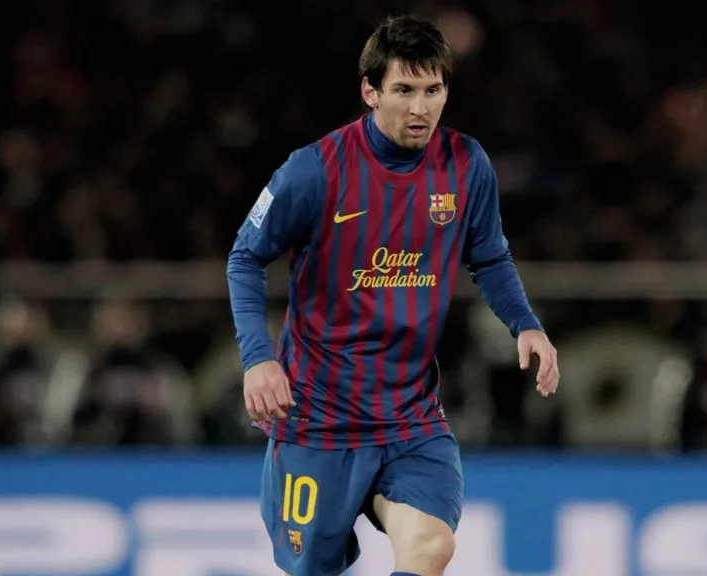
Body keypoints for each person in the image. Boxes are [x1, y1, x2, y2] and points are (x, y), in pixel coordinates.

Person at [226, 15, 559, 576]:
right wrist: (258, 360)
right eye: (404, 91)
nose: (420, 108)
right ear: (370, 91)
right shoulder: (315, 171)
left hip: (410, 418)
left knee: (430, 547)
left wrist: (525, 323)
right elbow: (244, 257)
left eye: (434, 91)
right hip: (318, 419)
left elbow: (491, 256)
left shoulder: (465, 165)